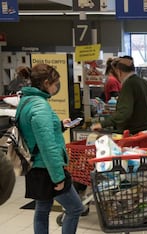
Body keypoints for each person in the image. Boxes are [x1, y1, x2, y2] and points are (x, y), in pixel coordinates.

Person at [17, 64, 83, 234]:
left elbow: (36, 133)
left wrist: (60, 125)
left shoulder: (26, 101)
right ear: (46, 83)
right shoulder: (41, 107)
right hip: (47, 168)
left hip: (34, 165)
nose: (56, 88)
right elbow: (47, 146)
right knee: (75, 208)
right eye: (55, 84)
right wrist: (58, 177)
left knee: (42, 208)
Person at [91, 56, 147, 135]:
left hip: (133, 134)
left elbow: (124, 112)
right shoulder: (144, 82)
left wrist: (102, 124)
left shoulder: (128, 85)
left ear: (119, 72)